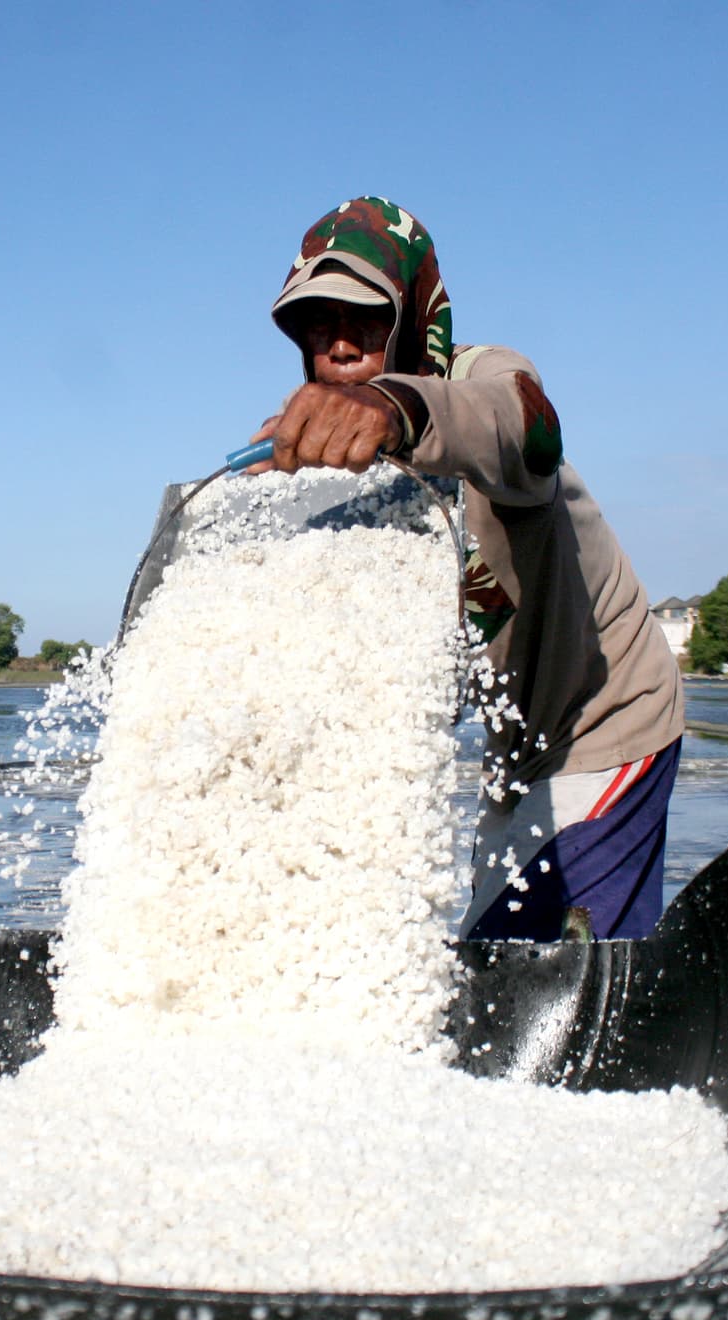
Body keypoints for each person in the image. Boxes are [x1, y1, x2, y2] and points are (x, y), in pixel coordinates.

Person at [253, 196, 685, 942]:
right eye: (319, 324)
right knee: (491, 957)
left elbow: (528, 428)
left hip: (605, 717)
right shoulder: (336, 473)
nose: (342, 346)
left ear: (417, 317)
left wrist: (394, 408)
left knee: (567, 976)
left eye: (368, 318)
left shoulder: (482, 383)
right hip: (515, 755)